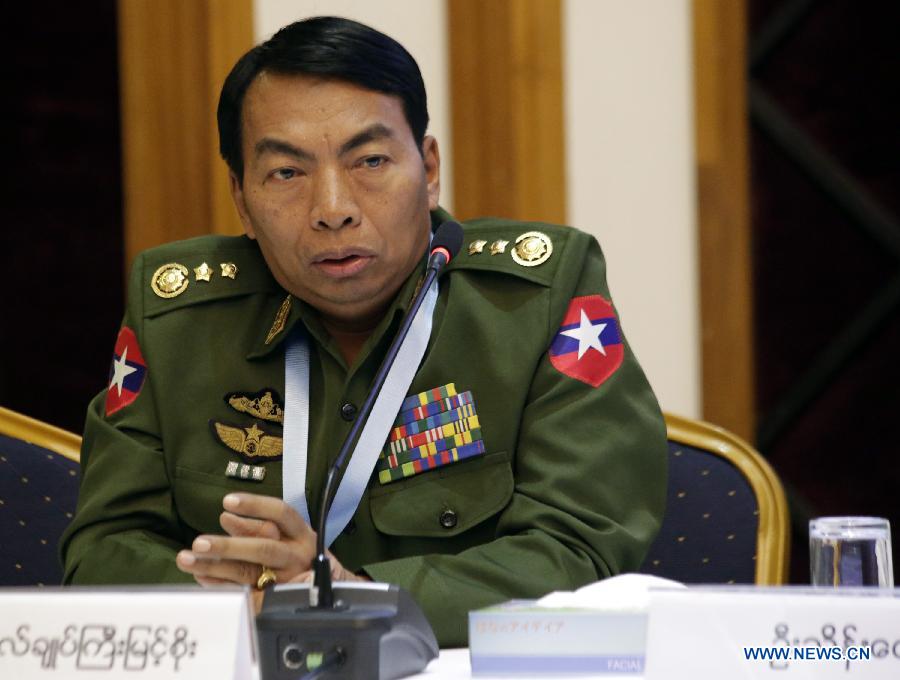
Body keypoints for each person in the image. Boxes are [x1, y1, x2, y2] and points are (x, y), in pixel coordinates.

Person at [61, 16, 667, 647]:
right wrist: (254, 605)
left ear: (429, 169)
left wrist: (348, 595)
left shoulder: (536, 299)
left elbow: (582, 546)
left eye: (370, 160)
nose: (333, 209)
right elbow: (102, 551)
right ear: (241, 198)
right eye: (287, 174)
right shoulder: (179, 319)